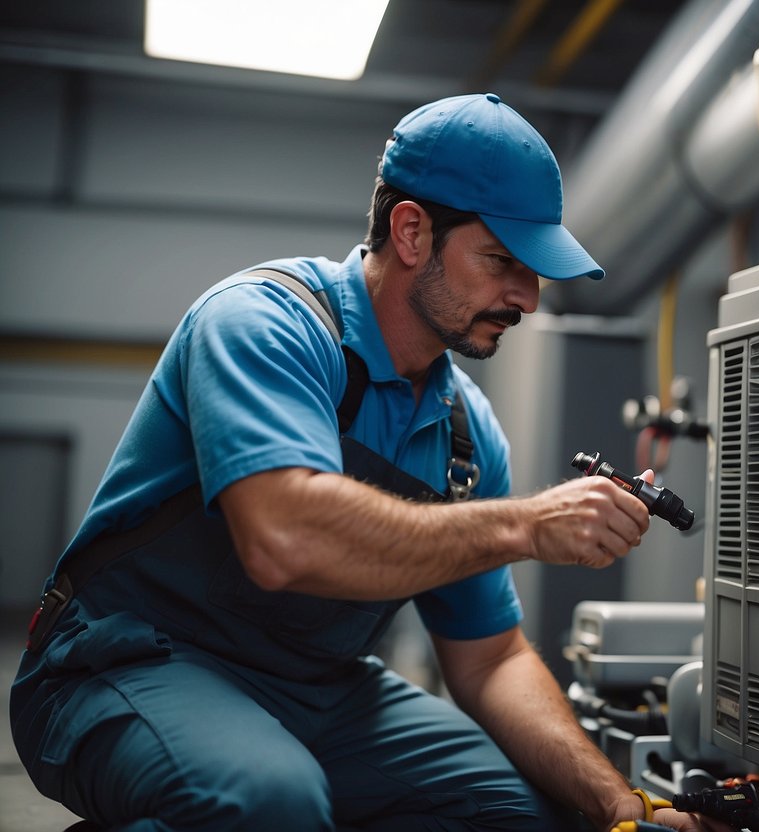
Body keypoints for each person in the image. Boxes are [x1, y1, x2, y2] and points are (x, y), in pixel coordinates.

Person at [10, 93, 715, 832]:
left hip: (314, 688)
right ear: (411, 231)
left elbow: (489, 658)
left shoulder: (466, 437)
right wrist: (525, 526)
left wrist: (620, 807)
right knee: (266, 801)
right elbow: (285, 540)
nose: (528, 299)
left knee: (521, 812)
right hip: (128, 665)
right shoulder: (264, 323)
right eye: (503, 260)